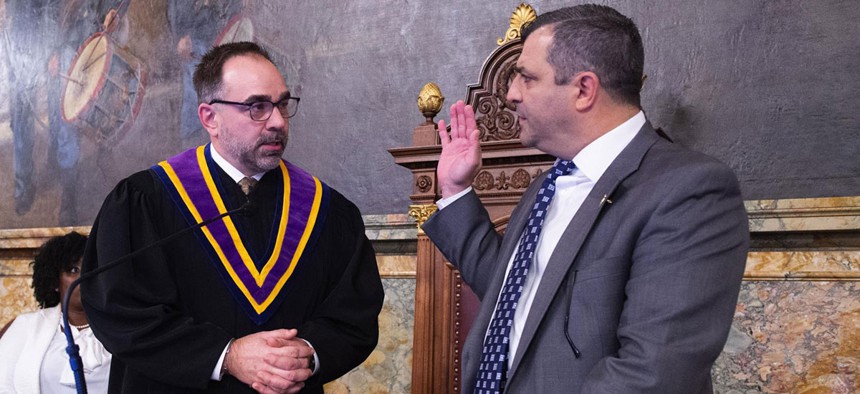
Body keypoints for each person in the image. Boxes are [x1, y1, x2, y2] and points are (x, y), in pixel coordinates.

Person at [423, 4, 749, 393]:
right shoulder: (547, 185)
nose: (511, 94)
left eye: (526, 77)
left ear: (583, 89)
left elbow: (652, 375)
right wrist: (456, 191)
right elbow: (512, 294)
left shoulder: (690, 190)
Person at [81, 42, 383, 393]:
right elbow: (119, 310)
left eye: (283, 104)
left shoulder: (327, 211)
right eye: (257, 107)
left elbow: (354, 316)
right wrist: (226, 355)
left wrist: (307, 352)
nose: (278, 122)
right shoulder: (145, 200)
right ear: (210, 118)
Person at [0, 232, 111, 393]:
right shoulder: (26, 326)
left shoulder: (122, 327)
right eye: (73, 270)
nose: (84, 277)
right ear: (55, 281)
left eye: (91, 269)